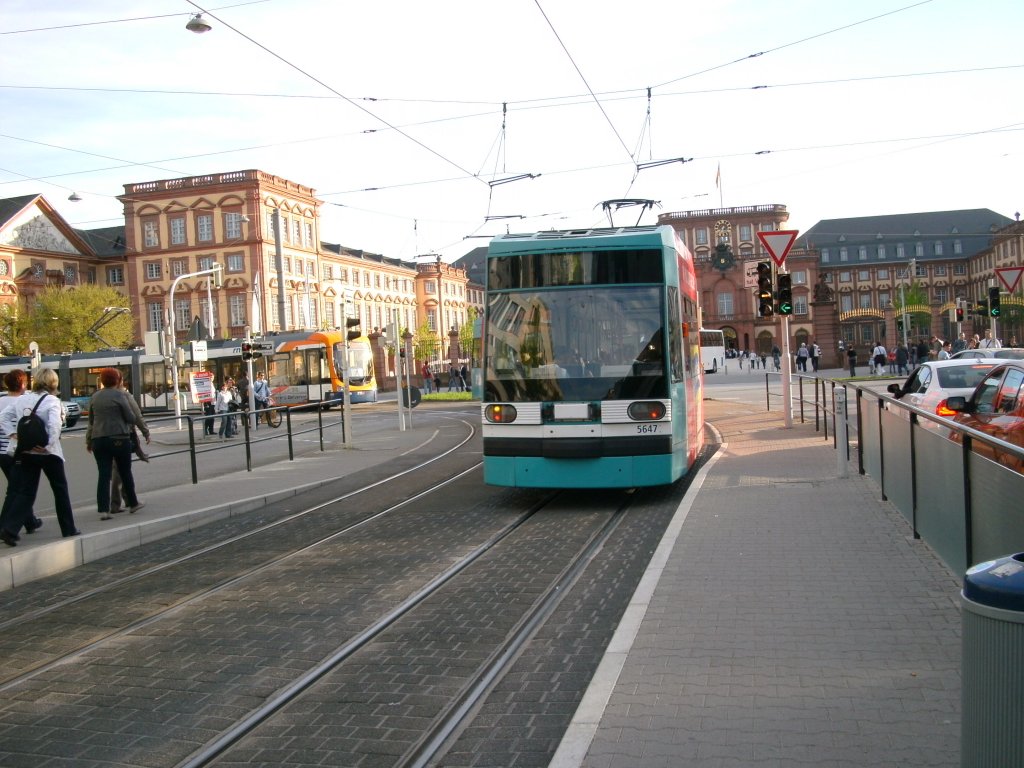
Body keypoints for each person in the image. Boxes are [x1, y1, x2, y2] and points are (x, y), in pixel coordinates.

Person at [0, 368, 79, 545]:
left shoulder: (22, 399)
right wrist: (48, 446)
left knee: (26, 491)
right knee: (59, 489)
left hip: (26, 451)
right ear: (53, 383)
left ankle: (10, 529)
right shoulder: (52, 401)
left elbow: (3, 417)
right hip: (49, 453)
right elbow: (54, 426)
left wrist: (13, 434)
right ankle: (68, 528)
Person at [86, 367, 149, 521]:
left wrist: (89, 440)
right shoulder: (120, 395)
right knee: (125, 472)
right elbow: (131, 417)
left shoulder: (95, 396)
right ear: (117, 380)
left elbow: (91, 421)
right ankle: (133, 503)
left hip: (99, 439)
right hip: (119, 438)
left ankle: (104, 510)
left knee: (103, 475)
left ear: (102, 381)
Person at [0, 369, 43, 536]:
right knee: (17, 490)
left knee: (17, 486)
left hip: (2, 453)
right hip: (17, 451)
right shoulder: (24, 402)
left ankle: (30, 521)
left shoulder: (0, 401)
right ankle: (5, 525)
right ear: (23, 384)